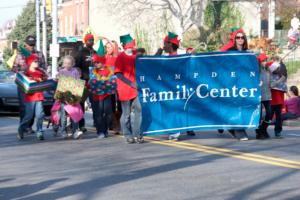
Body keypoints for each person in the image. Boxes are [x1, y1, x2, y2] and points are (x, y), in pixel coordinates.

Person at [155, 32, 196, 140]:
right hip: (165, 88)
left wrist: (191, 55)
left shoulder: (181, 58)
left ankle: (175, 132)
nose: (163, 45)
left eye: (165, 43)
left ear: (170, 45)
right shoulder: (164, 58)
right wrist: (159, 51)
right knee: (167, 109)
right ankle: (171, 130)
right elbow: (151, 63)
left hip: (177, 88)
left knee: (176, 109)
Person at [12, 35, 46, 134]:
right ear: (25, 44)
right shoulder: (20, 54)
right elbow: (14, 68)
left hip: (36, 83)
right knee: (24, 106)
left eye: (33, 44)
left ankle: (29, 127)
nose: (31, 46)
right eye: (30, 45)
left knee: (36, 107)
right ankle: (24, 127)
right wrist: (24, 69)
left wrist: (41, 73)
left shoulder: (39, 54)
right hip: (24, 84)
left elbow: (44, 66)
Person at [220, 29, 249, 141]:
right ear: (234, 39)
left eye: (242, 37)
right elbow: (221, 62)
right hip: (232, 83)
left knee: (242, 106)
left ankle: (234, 128)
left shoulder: (247, 52)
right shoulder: (230, 51)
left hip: (244, 84)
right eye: (238, 37)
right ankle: (239, 131)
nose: (240, 39)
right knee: (236, 106)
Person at [114, 34, 143, 144]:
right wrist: (131, 83)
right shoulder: (121, 57)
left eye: (132, 46)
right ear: (124, 46)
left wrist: (159, 50)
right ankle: (127, 134)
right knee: (126, 114)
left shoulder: (136, 55)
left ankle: (138, 134)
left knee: (139, 110)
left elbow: (149, 61)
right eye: (128, 46)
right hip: (125, 88)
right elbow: (118, 74)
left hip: (136, 89)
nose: (131, 48)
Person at [51, 55, 84, 139]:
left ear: (73, 64)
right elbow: (57, 80)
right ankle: (63, 131)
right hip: (63, 97)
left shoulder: (75, 71)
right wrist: (57, 78)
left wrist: (78, 96)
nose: (67, 65)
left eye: (69, 63)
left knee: (75, 114)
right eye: (65, 63)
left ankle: (75, 131)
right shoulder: (61, 71)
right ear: (63, 64)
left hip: (72, 97)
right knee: (64, 116)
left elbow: (77, 82)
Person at [18, 54, 47, 140]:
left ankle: (39, 131)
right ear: (30, 62)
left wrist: (45, 79)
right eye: (35, 61)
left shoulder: (40, 72)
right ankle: (21, 129)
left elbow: (45, 79)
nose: (37, 62)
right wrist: (34, 79)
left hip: (39, 97)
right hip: (30, 98)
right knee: (29, 116)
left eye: (37, 61)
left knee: (40, 115)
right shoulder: (26, 73)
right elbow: (25, 83)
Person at [89, 52, 116, 138]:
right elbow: (90, 83)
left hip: (107, 95)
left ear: (102, 62)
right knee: (98, 114)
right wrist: (89, 85)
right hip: (96, 96)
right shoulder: (93, 71)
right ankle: (100, 131)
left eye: (98, 62)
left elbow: (113, 80)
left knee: (108, 113)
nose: (96, 64)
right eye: (95, 63)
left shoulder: (109, 70)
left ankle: (105, 130)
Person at [74, 33, 96, 132]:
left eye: (92, 40)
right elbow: (76, 67)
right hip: (83, 81)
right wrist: (80, 77)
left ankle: (96, 122)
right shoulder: (81, 53)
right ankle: (81, 124)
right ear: (85, 41)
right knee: (81, 103)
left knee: (95, 102)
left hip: (94, 81)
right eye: (89, 40)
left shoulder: (95, 53)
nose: (91, 42)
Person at [267, 56, 288, 138]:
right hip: (271, 99)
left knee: (279, 117)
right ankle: (262, 130)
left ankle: (278, 131)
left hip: (279, 99)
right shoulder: (269, 75)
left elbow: (284, 86)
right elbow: (270, 85)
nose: (278, 69)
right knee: (269, 116)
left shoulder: (281, 75)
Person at [255, 53, 272, 139]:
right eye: (263, 60)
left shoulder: (268, 71)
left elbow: (271, 83)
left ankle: (263, 129)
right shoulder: (256, 72)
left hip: (267, 96)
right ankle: (259, 132)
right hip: (259, 96)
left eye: (266, 60)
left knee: (269, 114)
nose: (265, 62)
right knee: (259, 115)